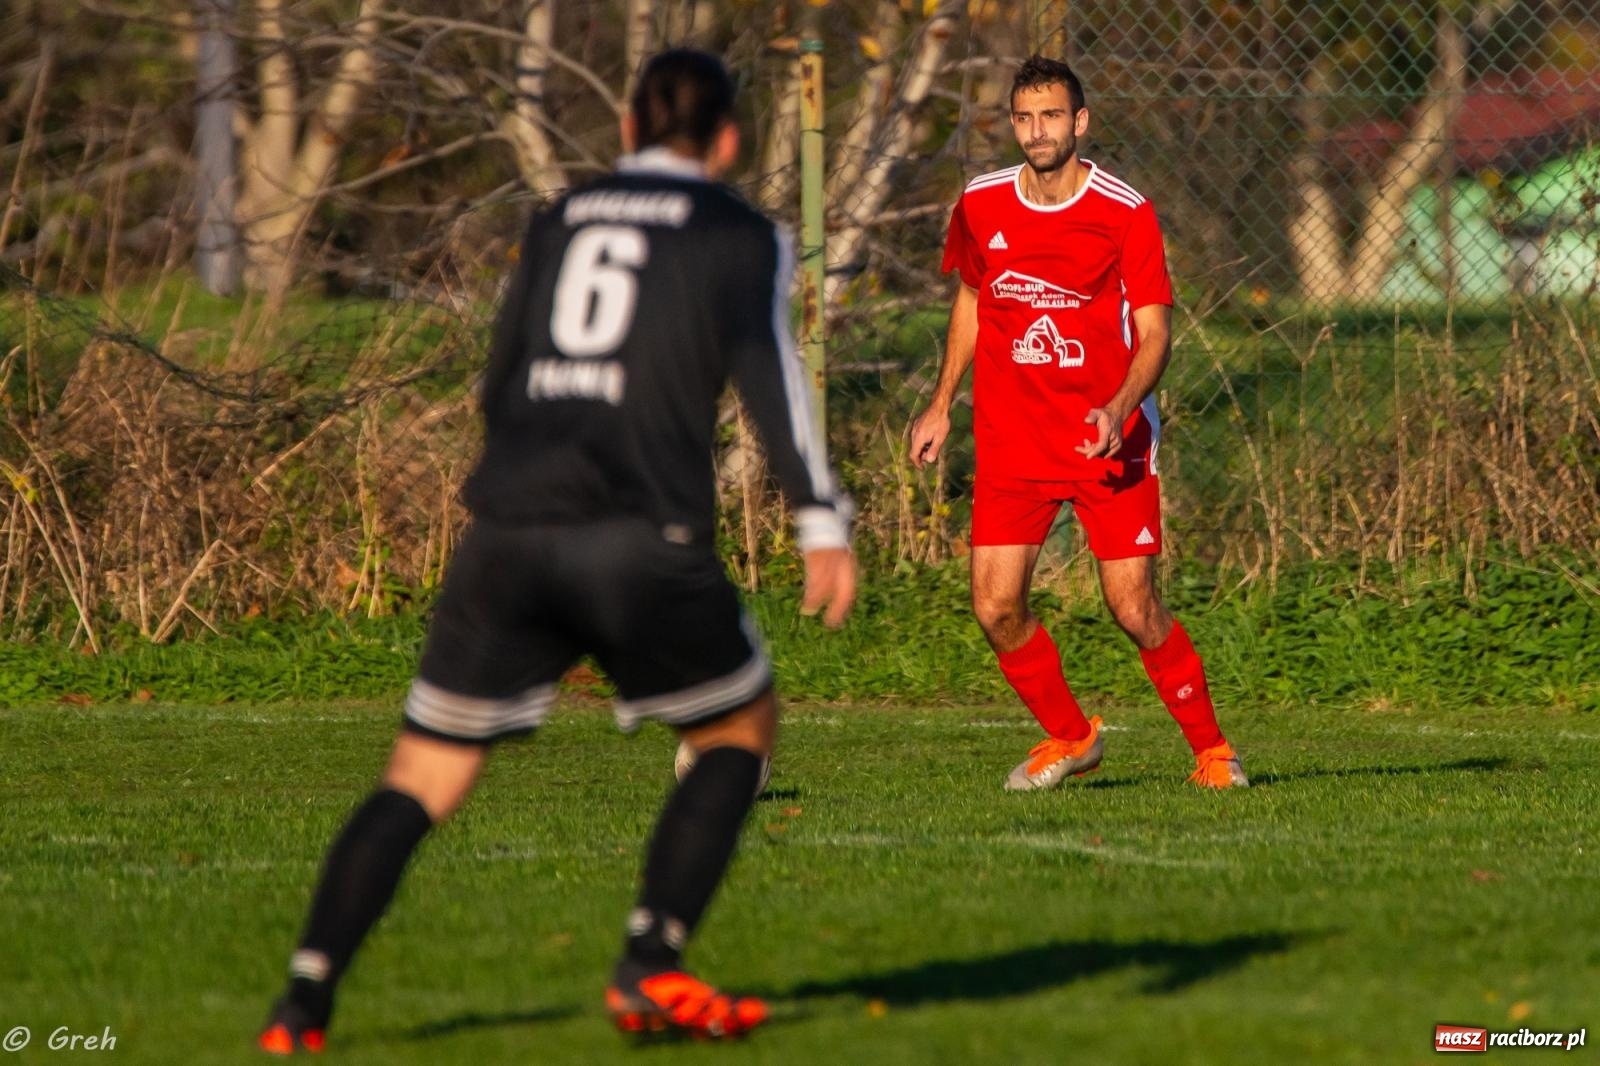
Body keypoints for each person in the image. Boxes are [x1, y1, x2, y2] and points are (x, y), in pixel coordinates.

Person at [257, 48, 856, 1052]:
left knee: (422, 778)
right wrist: (819, 521)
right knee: (738, 730)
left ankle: (302, 1002)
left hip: (509, 531)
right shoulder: (738, 229)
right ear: (727, 142)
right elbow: (771, 374)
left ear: (626, 130)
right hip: (638, 535)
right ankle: (651, 959)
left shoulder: (560, 217)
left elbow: (500, 379)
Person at [908, 55, 1245, 793]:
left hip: (1106, 437)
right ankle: (1070, 736)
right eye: (1025, 118)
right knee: (995, 607)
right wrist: (941, 402)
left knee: (1134, 607)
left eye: (1052, 116)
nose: (1038, 132)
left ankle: (1214, 751)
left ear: (1080, 122)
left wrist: (1118, 409)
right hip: (1013, 439)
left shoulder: (1126, 211)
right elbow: (972, 298)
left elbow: (1154, 334)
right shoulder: (981, 203)